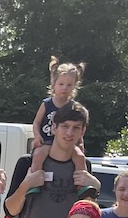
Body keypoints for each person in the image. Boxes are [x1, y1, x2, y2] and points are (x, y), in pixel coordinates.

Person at [4, 102, 100, 218]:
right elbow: (10, 210)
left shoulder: (83, 166)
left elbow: (87, 213)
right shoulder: (27, 163)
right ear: (54, 128)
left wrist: (96, 187)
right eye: (65, 126)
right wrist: (26, 185)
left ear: (83, 131)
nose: (69, 133)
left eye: (76, 128)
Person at [29, 56, 89, 189]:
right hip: (47, 140)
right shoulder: (47, 103)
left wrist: (80, 143)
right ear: (53, 84)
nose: (64, 88)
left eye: (69, 85)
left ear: (75, 86)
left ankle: (82, 187)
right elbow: (36, 122)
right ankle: (34, 183)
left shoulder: (73, 106)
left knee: (79, 157)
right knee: (38, 154)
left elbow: (78, 127)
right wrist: (37, 136)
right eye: (61, 84)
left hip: (67, 144)